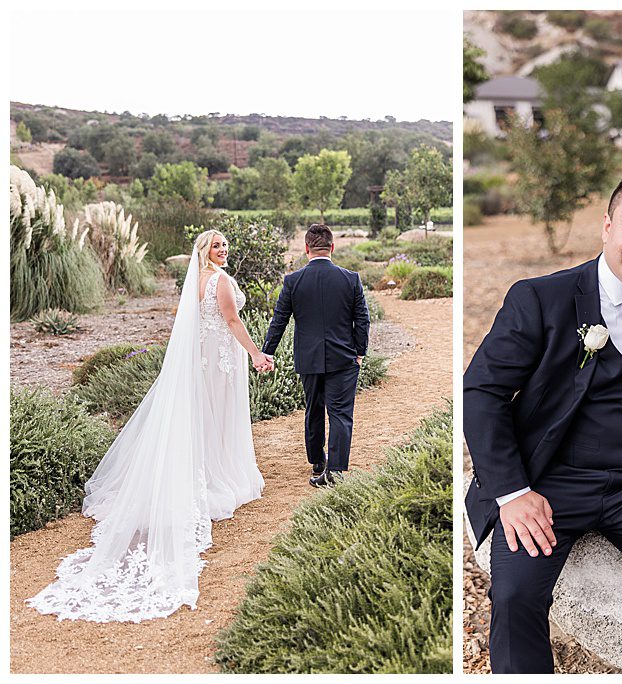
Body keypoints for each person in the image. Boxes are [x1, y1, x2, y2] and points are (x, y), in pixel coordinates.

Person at [464, 170, 622, 674]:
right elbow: (482, 391)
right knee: (514, 594)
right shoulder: (540, 298)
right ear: (607, 226)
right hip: (549, 482)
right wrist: (513, 493)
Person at [28, 229, 266, 623]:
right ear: (205, 251)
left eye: (225, 244)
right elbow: (231, 319)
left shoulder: (197, 280)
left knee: (205, 417)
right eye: (217, 245)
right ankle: (217, 476)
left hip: (204, 359)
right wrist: (256, 353)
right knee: (218, 417)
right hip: (220, 361)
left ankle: (207, 470)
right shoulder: (221, 281)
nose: (223, 249)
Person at [262, 223, 370, 487]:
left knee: (314, 410)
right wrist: (360, 352)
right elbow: (362, 320)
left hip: (308, 359)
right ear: (332, 247)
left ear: (306, 248)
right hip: (343, 358)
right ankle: (335, 471)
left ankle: (318, 463)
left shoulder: (293, 281)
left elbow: (279, 320)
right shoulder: (350, 279)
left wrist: (267, 352)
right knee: (341, 413)